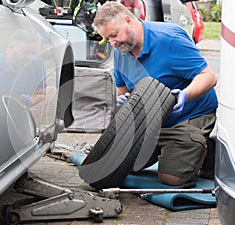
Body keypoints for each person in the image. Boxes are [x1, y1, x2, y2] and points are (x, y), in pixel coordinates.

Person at [92, 2, 218, 186]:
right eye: (107, 39)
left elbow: (208, 77)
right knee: (127, 166)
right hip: (153, 121)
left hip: (189, 115)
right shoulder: (121, 50)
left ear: (128, 20)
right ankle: (169, 149)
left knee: (171, 178)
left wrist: (185, 95)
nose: (112, 43)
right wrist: (122, 101)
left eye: (113, 35)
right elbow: (122, 91)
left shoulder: (169, 39)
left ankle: (206, 148)